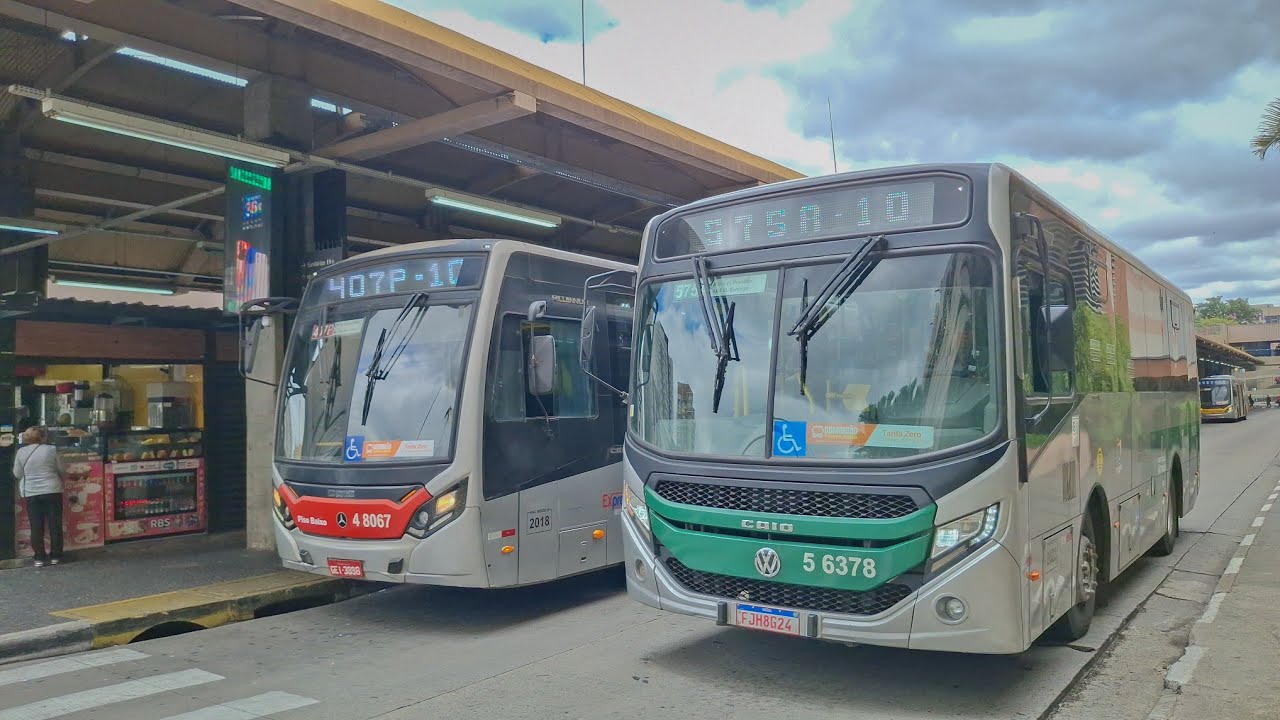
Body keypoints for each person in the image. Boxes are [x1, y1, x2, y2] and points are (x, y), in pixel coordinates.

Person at [12, 426, 65, 567]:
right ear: (42, 437)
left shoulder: (21, 452)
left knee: (36, 526)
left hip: (32, 493)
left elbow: (17, 474)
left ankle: (39, 558)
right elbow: (61, 469)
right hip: (52, 491)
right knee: (55, 525)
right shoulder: (51, 450)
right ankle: (56, 556)